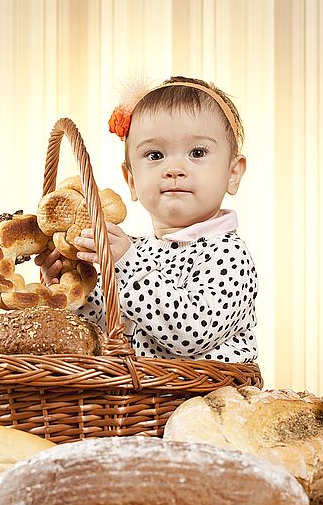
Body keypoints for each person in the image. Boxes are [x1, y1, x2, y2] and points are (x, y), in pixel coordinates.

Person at [35, 76, 258, 362]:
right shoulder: (134, 249)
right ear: (131, 180)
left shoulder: (228, 255)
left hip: (207, 400)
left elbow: (191, 334)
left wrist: (128, 264)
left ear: (233, 173)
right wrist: (70, 289)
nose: (174, 168)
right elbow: (106, 330)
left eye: (197, 152)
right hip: (140, 403)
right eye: (155, 155)